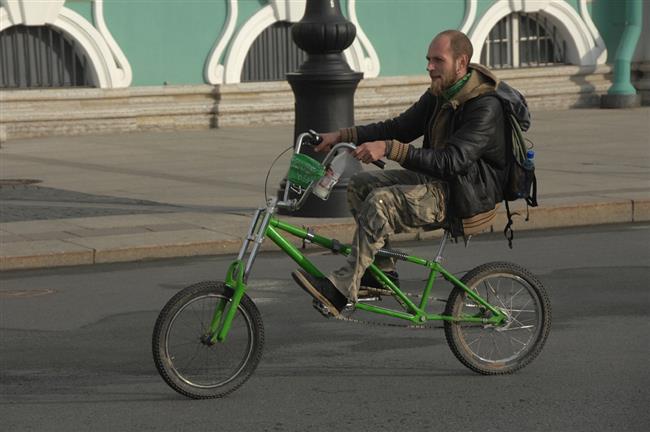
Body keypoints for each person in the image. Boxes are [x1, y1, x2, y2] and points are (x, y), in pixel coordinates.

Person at [292, 29, 527, 316]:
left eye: (438, 60)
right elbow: (399, 127)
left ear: (461, 63)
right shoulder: (442, 93)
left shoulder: (484, 106)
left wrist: (391, 149)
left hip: (463, 194)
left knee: (381, 203)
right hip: (439, 182)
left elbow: (453, 161)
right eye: (428, 60)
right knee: (360, 186)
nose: (430, 67)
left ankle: (341, 289)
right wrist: (342, 134)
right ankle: (383, 273)